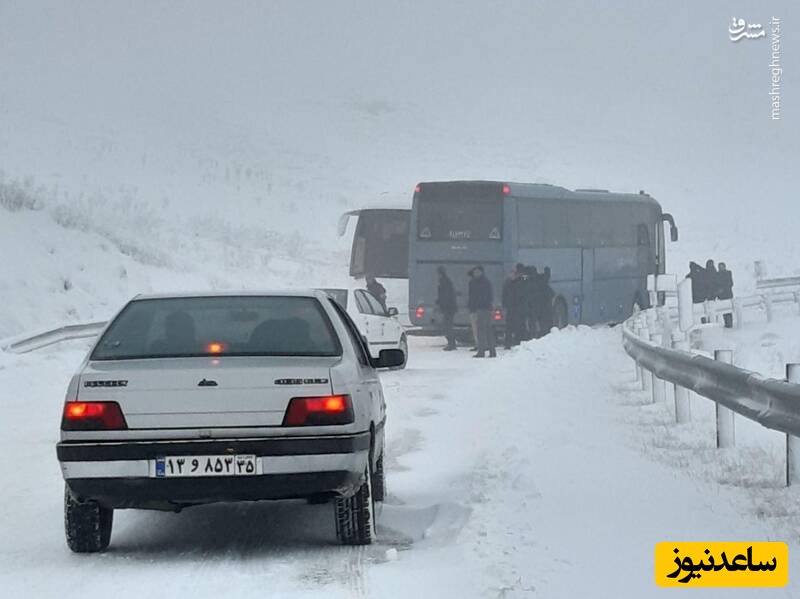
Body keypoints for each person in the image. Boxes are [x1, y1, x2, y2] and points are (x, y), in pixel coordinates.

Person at [468, 266, 496, 358]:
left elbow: (476, 296)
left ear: (481, 272)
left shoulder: (479, 283)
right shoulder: (486, 282)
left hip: (482, 309)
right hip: (486, 308)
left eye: (477, 271)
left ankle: (482, 351)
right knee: (488, 330)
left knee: (481, 331)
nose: (475, 273)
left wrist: (475, 306)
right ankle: (492, 351)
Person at [502, 264, 524, 349]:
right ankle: (511, 342)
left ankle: (512, 342)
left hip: (514, 306)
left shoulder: (520, 279)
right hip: (513, 307)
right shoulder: (512, 282)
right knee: (512, 326)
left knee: (511, 326)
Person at [435, 266, 457, 350]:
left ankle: (451, 344)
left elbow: (445, 295)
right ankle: (452, 343)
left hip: (448, 308)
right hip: (450, 307)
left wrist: (440, 302)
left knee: (447, 326)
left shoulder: (443, 281)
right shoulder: (446, 281)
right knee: (448, 325)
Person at [717, 262, 734, 328]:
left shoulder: (728, 273)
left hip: (727, 294)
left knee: (729, 309)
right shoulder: (717, 274)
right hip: (722, 295)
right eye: (719, 267)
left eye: (722, 266)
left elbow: (731, 283)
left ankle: (729, 323)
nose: (721, 268)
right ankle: (727, 323)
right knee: (724, 309)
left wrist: (723, 288)